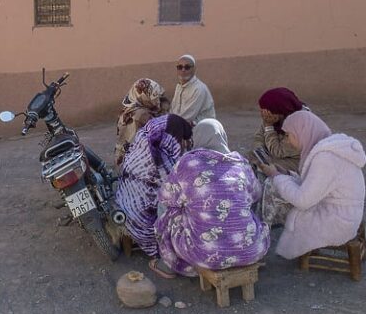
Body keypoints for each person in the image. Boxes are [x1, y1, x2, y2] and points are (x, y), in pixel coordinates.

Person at [151, 119, 270, 278]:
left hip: (204, 255)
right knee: (246, 209)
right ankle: (240, 248)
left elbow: (165, 197)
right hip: (252, 251)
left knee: (168, 212)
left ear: (197, 138)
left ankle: (169, 262)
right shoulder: (241, 164)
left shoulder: (187, 163)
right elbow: (256, 195)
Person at [258, 111, 366, 260]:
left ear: (302, 132)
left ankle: (259, 239)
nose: (288, 141)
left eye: (289, 135)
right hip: (345, 214)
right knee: (279, 185)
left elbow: (303, 201)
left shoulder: (325, 158)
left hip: (337, 223)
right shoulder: (330, 148)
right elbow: (316, 185)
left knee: (272, 187)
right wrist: (287, 175)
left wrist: (275, 176)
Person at [115, 114, 193, 257]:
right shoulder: (160, 159)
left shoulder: (142, 140)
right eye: (179, 139)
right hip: (143, 222)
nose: (180, 143)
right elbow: (178, 191)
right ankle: (168, 251)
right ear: (173, 137)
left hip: (124, 205)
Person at [250, 87, 308, 226]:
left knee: (267, 170)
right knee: (250, 162)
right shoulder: (271, 115)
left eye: (265, 110)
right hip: (274, 156)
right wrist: (260, 152)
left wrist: (269, 127)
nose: (263, 114)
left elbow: (278, 151)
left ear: (280, 110)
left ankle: (267, 219)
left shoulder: (301, 123)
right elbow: (258, 138)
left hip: (296, 162)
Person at [114, 78, 170, 168]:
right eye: (154, 97)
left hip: (121, 157)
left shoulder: (127, 110)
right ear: (144, 96)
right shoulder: (143, 115)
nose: (157, 101)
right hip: (137, 163)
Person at [170, 54, 215, 125]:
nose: (183, 70)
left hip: (202, 128)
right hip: (184, 124)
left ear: (194, 69)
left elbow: (187, 116)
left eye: (187, 67)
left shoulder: (199, 89)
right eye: (180, 67)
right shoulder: (179, 86)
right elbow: (173, 110)